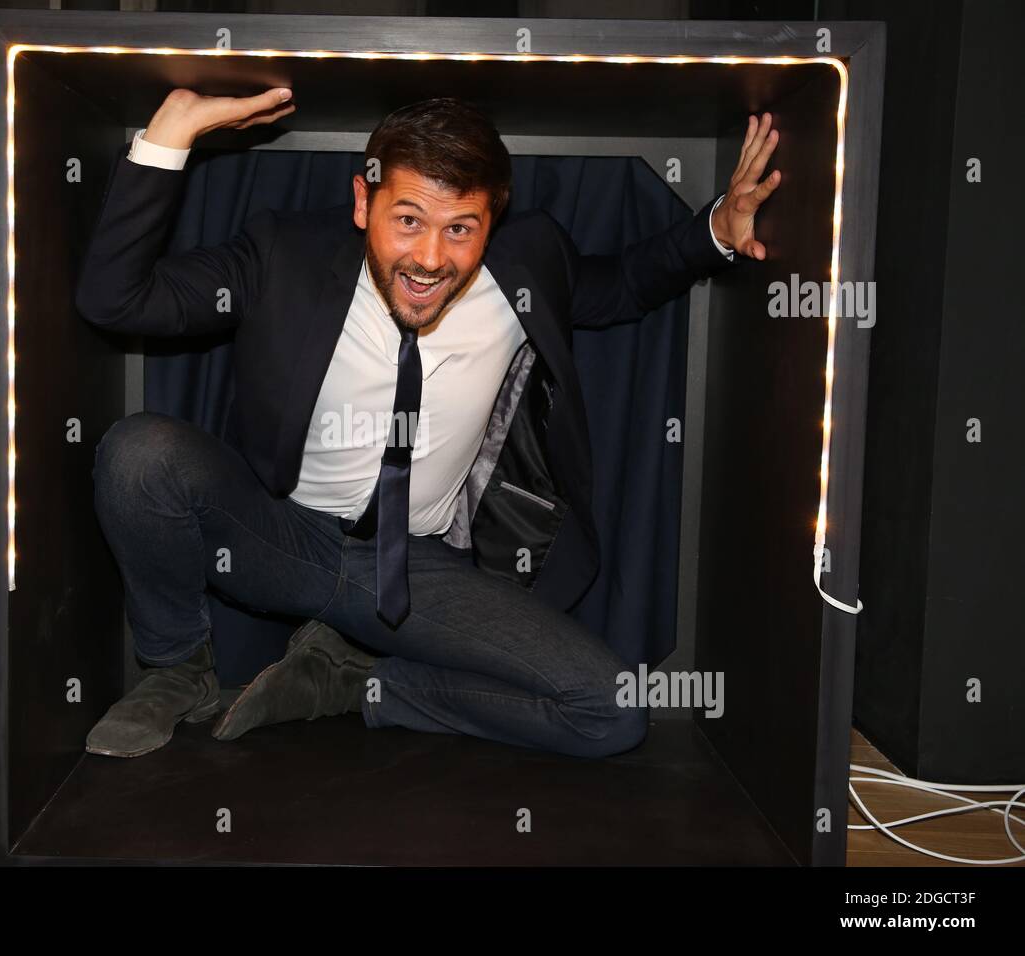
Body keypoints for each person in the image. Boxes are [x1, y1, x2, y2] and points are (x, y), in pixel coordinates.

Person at [77, 89, 780, 759]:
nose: (430, 258)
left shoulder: (526, 268)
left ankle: (359, 683)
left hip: (418, 568)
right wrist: (170, 132)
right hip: (281, 537)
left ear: (490, 225)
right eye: (407, 219)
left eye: (460, 229)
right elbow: (116, 300)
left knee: (611, 710)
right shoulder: (281, 254)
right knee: (140, 453)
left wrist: (716, 230)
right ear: (363, 202)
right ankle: (177, 670)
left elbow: (623, 282)